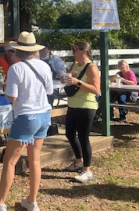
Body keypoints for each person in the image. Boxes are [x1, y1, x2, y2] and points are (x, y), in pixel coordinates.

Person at [0, 31, 53, 211]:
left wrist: (7, 87)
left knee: (10, 161)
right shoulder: (44, 66)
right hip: (44, 114)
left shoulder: (16, 68)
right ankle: (32, 201)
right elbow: (49, 91)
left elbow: (12, 98)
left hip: (26, 116)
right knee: (34, 160)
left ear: (18, 50)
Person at [61, 41, 100, 183]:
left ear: (84, 51)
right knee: (69, 134)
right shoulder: (74, 64)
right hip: (73, 105)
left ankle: (87, 170)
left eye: (75, 50)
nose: (73, 53)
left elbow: (96, 89)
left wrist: (77, 82)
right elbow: (68, 81)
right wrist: (65, 78)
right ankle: (78, 161)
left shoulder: (91, 67)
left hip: (86, 106)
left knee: (83, 137)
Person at [39, 41, 66, 106]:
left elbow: (62, 70)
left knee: (48, 100)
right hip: (39, 85)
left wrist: (61, 74)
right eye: (40, 49)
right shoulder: (36, 60)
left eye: (44, 48)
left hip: (53, 86)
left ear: (49, 50)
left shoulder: (55, 59)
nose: (42, 50)